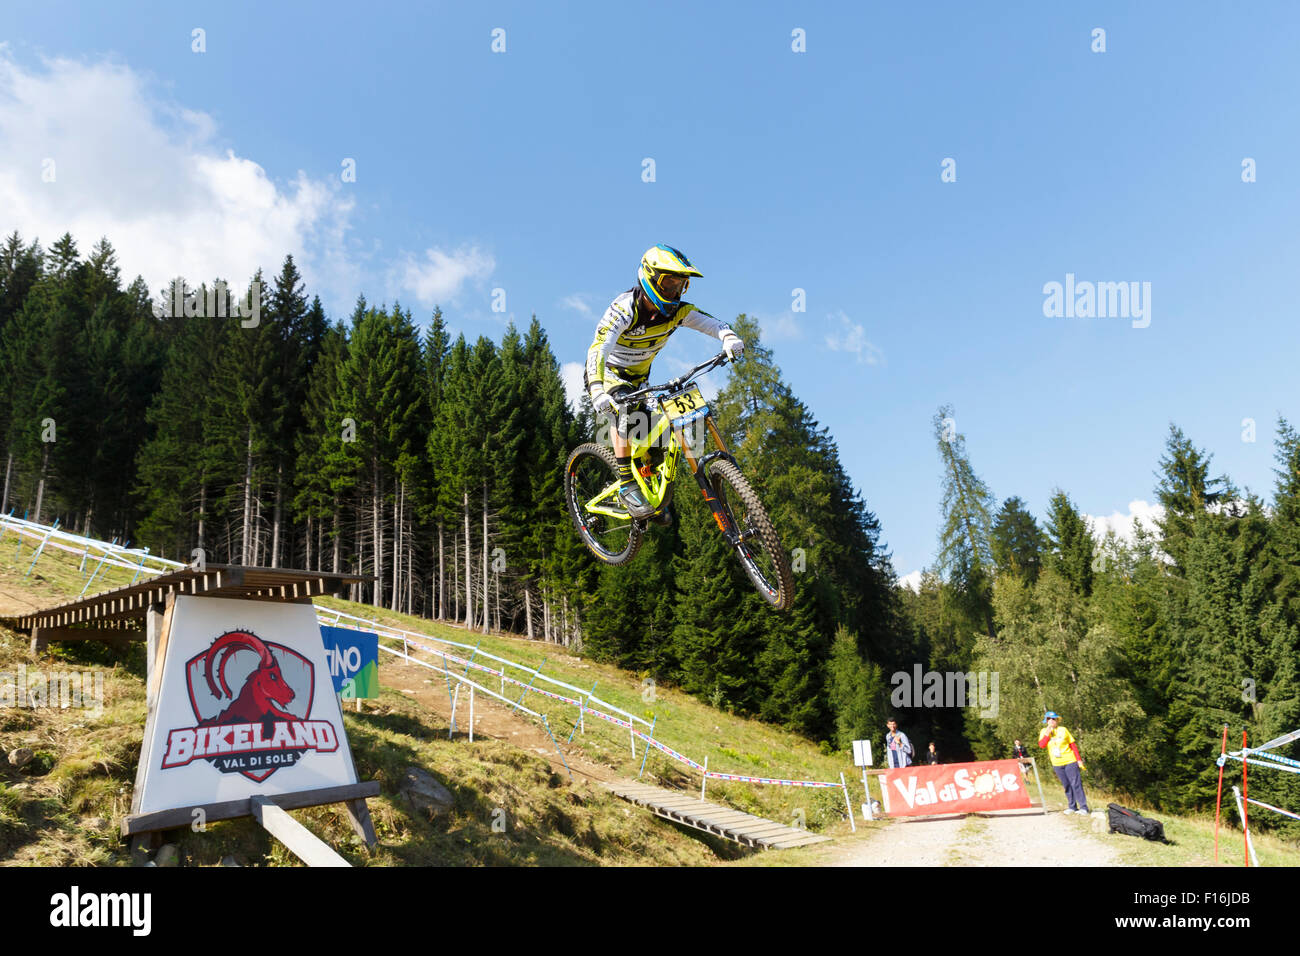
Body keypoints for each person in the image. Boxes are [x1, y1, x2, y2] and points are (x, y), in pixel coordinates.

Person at [585, 245, 745, 520]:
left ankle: (650, 488)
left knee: (656, 438)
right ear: (649, 278)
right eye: (668, 283)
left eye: (680, 285)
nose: (674, 292)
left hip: (640, 380)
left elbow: (713, 324)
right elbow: (598, 349)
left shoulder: (678, 312)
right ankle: (626, 483)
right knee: (623, 415)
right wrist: (598, 389)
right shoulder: (624, 309)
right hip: (609, 375)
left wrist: (728, 337)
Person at [1038, 711, 1090, 815]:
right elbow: (1042, 745)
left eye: (1054, 719)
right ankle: (1072, 806)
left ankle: (1083, 807)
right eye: (1049, 719)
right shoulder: (1043, 731)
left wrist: (1078, 760)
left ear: (1057, 720)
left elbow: (1073, 745)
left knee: (1076, 784)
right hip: (1057, 763)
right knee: (1066, 785)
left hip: (1070, 761)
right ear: (1046, 721)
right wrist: (1048, 733)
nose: (1052, 721)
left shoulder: (1063, 730)